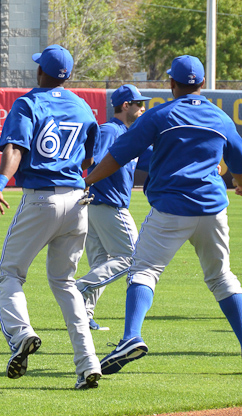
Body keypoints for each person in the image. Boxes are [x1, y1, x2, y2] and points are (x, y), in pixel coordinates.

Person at [85, 55, 242, 375]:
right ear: (202, 83)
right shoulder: (220, 117)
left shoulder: (161, 114)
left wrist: (87, 181)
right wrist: (239, 183)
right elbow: (239, 161)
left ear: (172, 83)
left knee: (143, 271)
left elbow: (118, 155)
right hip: (213, 209)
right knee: (221, 277)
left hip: (171, 209)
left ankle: (131, 337)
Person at [0, 44, 101, 390]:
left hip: (41, 198)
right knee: (65, 283)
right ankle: (88, 363)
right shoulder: (82, 106)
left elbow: (15, 148)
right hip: (77, 201)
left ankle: (22, 334)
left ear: (40, 72)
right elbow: (89, 158)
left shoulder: (28, 103)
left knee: (10, 274)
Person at [75, 84, 150, 331]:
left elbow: (158, 159)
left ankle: (84, 315)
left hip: (98, 206)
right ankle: (79, 288)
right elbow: (93, 161)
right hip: (107, 204)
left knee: (101, 261)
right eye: (139, 104)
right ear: (126, 105)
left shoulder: (129, 134)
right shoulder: (110, 130)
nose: (143, 108)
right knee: (133, 257)